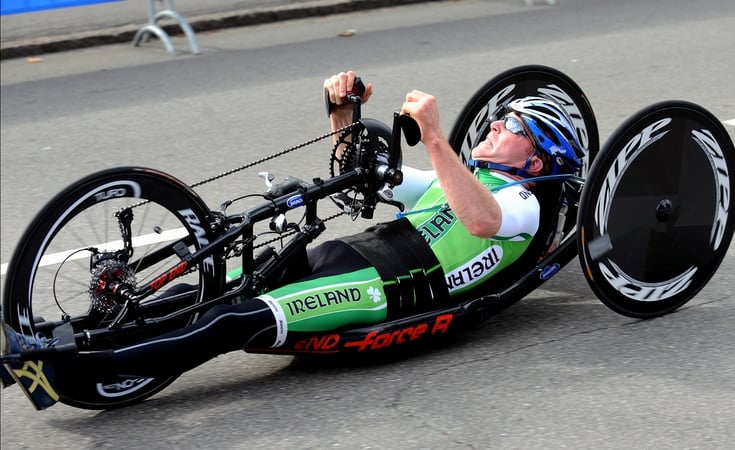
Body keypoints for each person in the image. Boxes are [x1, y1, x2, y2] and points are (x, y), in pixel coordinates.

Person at [1, 70, 584, 410]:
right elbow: (363, 174)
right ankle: (74, 333)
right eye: (500, 118)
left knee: (233, 324)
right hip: (342, 256)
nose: (496, 125)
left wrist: (434, 136)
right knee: (210, 293)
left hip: (377, 290)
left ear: (536, 156)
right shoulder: (461, 179)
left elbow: (479, 221)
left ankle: (59, 371)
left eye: (512, 126)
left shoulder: (522, 204)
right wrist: (343, 112)